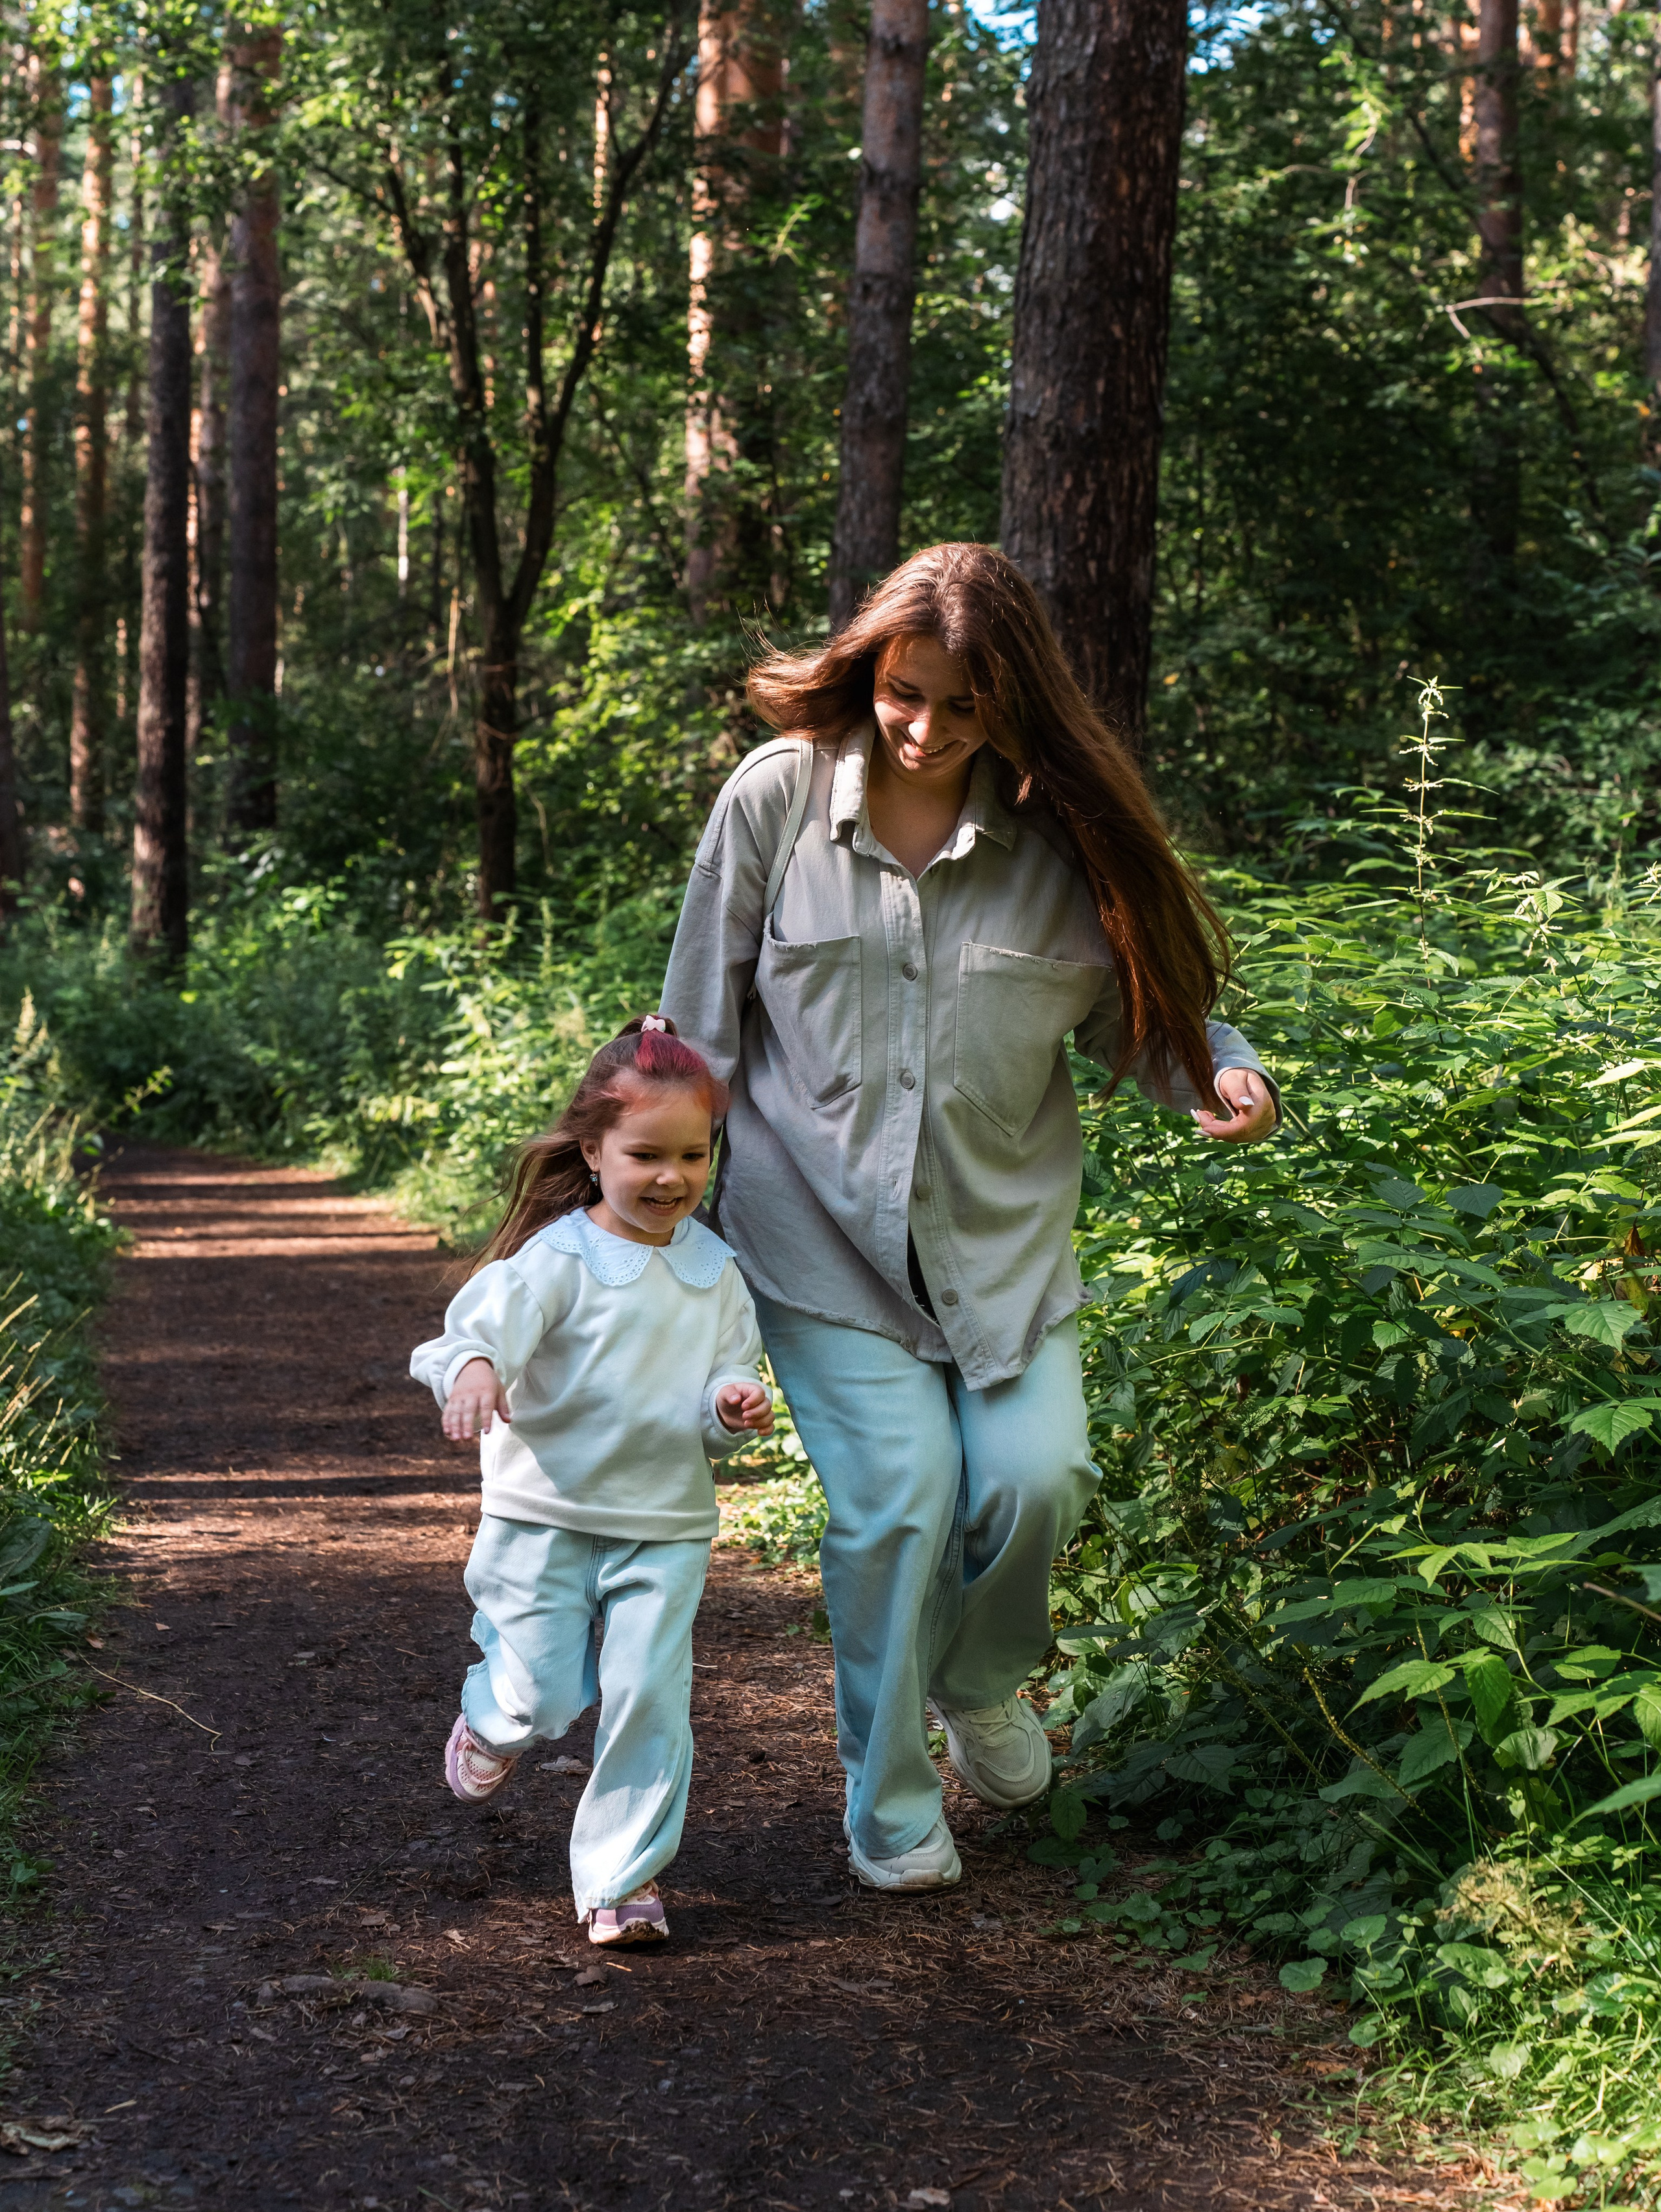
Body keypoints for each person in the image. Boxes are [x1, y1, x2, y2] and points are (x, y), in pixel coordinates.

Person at [660, 543, 1279, 1893]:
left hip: (997, 1244)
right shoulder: (771, 802)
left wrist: (1218, 1070)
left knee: (1033, 1476)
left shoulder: (1057, 838)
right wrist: (643, 1219)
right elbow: (697, 1033)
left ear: (1013, 707)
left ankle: (978, 1676)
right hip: (812, 1237)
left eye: (959, 705)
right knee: (896, 1503)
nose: (924, 728)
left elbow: (1149, 1015)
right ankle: (884, 1802)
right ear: (866, 674)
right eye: (901, 694)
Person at [409, 1015, 774, 1945]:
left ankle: (623, 1877)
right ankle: (493, 1720)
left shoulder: (717, 1270)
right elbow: (470, 1336)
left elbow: (722, 1385)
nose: (671, 1177)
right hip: (545, 1514)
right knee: (538, 1695)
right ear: (593, 1148)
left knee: (650, 1695)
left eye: (693, 1155)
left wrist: (731, 1404)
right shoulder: (557, 1259)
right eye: (646, 1153)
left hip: (665, 1521)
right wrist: (478, 1372)